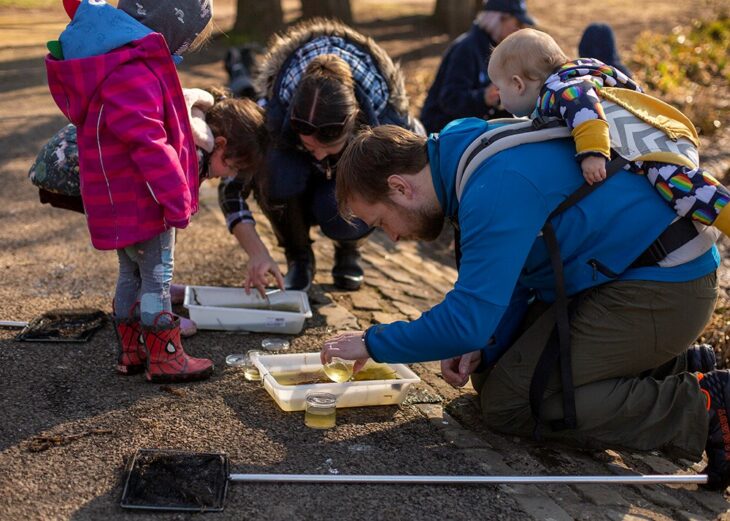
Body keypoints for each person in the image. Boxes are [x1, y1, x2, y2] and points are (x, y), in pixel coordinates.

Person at [320, 121, 730, 491]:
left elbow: (465, 321)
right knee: (492, 372)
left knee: (510, 405)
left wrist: (372, 343)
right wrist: (488, 341)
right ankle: (669, 366)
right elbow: (516, 268)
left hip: (663, 288)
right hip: (618, 277)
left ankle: (703, 406)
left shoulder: (491, 188)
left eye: (380, 223)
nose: (390, 238)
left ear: (400, 187)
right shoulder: (459, 149)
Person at [45, 0, 215, 383]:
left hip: (118, 198)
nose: (180, 51)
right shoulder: (133, 69)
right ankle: (167, 358)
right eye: (184, 41)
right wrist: (176, 198)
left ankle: (132, 350)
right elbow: (149, 143)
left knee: (129, 274)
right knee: (156, 277)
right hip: (145, 199)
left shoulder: (112, 63)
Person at [233, 18, 422, 292]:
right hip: (297, 169)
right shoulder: (278, 103)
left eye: (328, 147)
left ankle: (348, 249)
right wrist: (256, 250)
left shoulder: (384, 114)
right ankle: (298, 257)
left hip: (349, 172)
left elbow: (415, 156)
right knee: (275, 175)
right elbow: (236, 181)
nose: (319, 156)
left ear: (354, 125)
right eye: (310, 146)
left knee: (344, 209)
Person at [487, 28, 730, 234]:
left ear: (518, 84)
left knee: (684, 191)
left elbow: (585, 111)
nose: (498, 96)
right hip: (653, 133)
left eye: (499, 88)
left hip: (653, 148)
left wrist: (593, 152)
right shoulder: (582, 73)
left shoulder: (560, 89)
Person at [419, 0, 535, 134]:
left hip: (472, 127)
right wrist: (483, 97)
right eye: (518, 23)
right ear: (500, 19)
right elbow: (449, 100)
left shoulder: (498, 47)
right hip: (443, 131)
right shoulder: (466, 49)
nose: (521, 29)